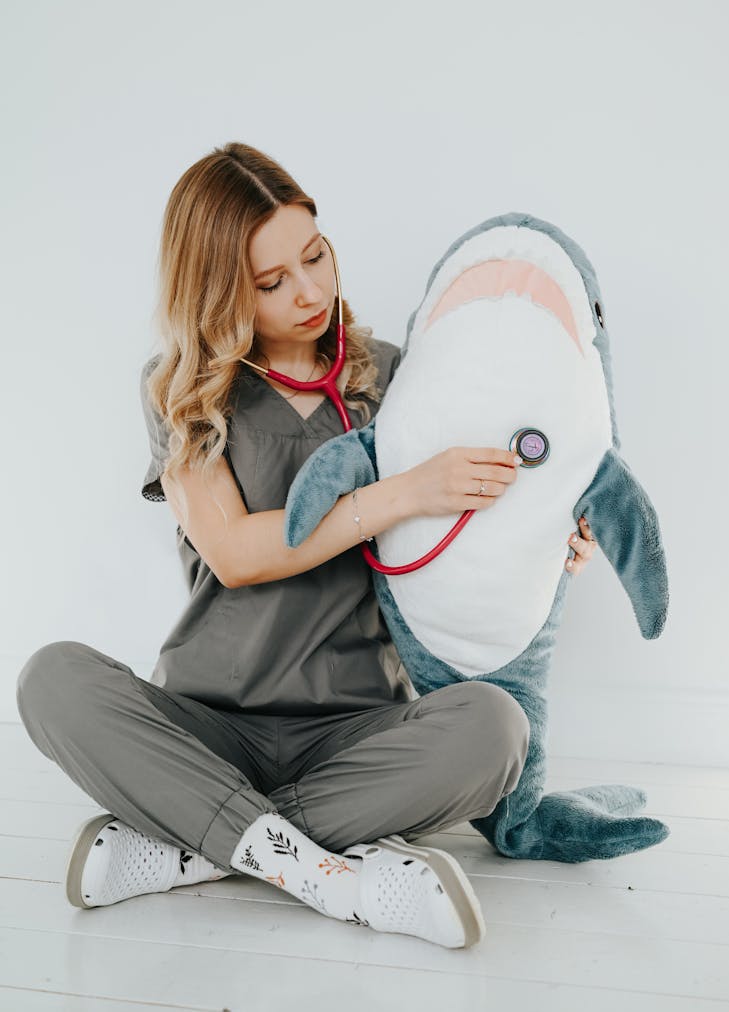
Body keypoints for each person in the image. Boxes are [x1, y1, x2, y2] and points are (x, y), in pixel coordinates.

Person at [16, 141, 574, 950]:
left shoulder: (399, 376)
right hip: (206, 727)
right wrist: (402, 492)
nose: (308, 292)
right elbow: (238, 553)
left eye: (315, 256)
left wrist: (552, 541)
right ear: (217, 292)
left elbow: (473, 516)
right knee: (50, 680)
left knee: (496, 729)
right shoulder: (179, 389)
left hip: (356, 734)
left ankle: (202, 844)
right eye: (271, 282)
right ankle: (327, 876)